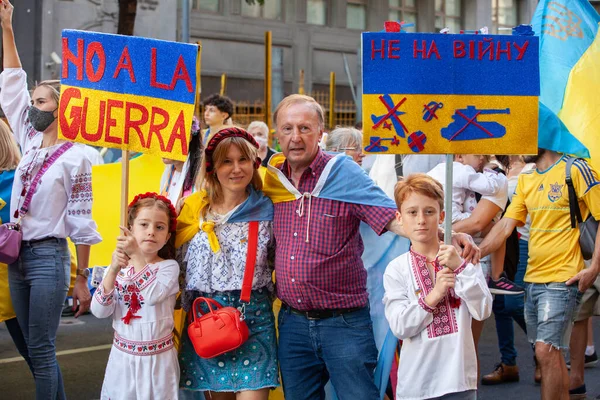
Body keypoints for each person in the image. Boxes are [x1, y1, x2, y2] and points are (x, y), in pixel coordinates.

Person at [263, 94, 479, 399]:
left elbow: (393, 218)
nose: (295, 137)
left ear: (320, 132)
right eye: (287, 129)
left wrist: (446, 236)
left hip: (343, 324)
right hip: (293, 324)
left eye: (304, 128)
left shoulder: (341, 173)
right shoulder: (270, 179)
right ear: (276, 134)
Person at [0, 1, 101, 398]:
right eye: (34, 101)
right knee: (35, 353)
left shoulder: (80, 156)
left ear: (62, 110)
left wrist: (81, 279)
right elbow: (11, 82)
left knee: (41, 351)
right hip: (16, 258)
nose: (33, 107)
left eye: (41, 102)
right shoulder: (27, 142)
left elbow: (81, 219)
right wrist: (7, 27)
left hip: (47, 258)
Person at [479, 148, 600, 399]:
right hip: (533, 279)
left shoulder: (576, 169)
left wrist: (594, 269)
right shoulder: (527, 178)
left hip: (563, 278)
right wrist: (474, 253)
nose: (517, 148)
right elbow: (505, 226)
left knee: (545, 351)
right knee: (549, 354)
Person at [176, 127, 279, 399]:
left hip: (254, 318)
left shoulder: (269, 210)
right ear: (212, 168)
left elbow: (283, 261)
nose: (236, 169)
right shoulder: (193, 210)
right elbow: (173, 262)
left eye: (243, 160)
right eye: (226, 161)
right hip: (206, 318)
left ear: (254, 163)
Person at [383, 174, 492, 400]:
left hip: (459, 381)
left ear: (441, 216)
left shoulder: (463, 258)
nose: (421, 219)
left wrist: (460, 268)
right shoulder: (396, 269)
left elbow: (483, 310)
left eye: (429, 211)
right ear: (399, 217)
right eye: (412, 212)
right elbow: (400, 327)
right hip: (417, 386)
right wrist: (433, 296)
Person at [91, 192, 180, 400]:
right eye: (144, 225)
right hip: (122, 360)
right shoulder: (118, 268)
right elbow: (99, 311)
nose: (151, 232)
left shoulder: (168, 267)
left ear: (167, 236)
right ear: (130, 229)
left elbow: (152, 295)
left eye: (159, 227)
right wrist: (112, 269)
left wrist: (136, 255)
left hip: (158, 362)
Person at [428, 155, 522, 295]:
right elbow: (489, 187)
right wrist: (490, 172)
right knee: (496, 228)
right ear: (459, 156)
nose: (480, 159)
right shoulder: (461, 170)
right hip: (452, 219)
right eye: (477, 155)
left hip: (437, 218)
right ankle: (497, 277)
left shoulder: (436, 170)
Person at [482, 156, 536, 385]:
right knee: (500, 303)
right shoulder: (496, 169)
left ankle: (545, 350)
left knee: (514, 303)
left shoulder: (533, 167)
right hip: (504, 240)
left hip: (525, 241)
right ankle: (509, 363)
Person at [0, 117, 34, 374]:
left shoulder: (17, 181)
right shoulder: (21, 177)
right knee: (35, 355)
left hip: (10, 281)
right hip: (13, 282)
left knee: (35, 354)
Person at [160, 116, 203, 206]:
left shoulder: (202, 176)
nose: (162, 145)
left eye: (168, 139)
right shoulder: (169, 172)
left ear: (188, 138)